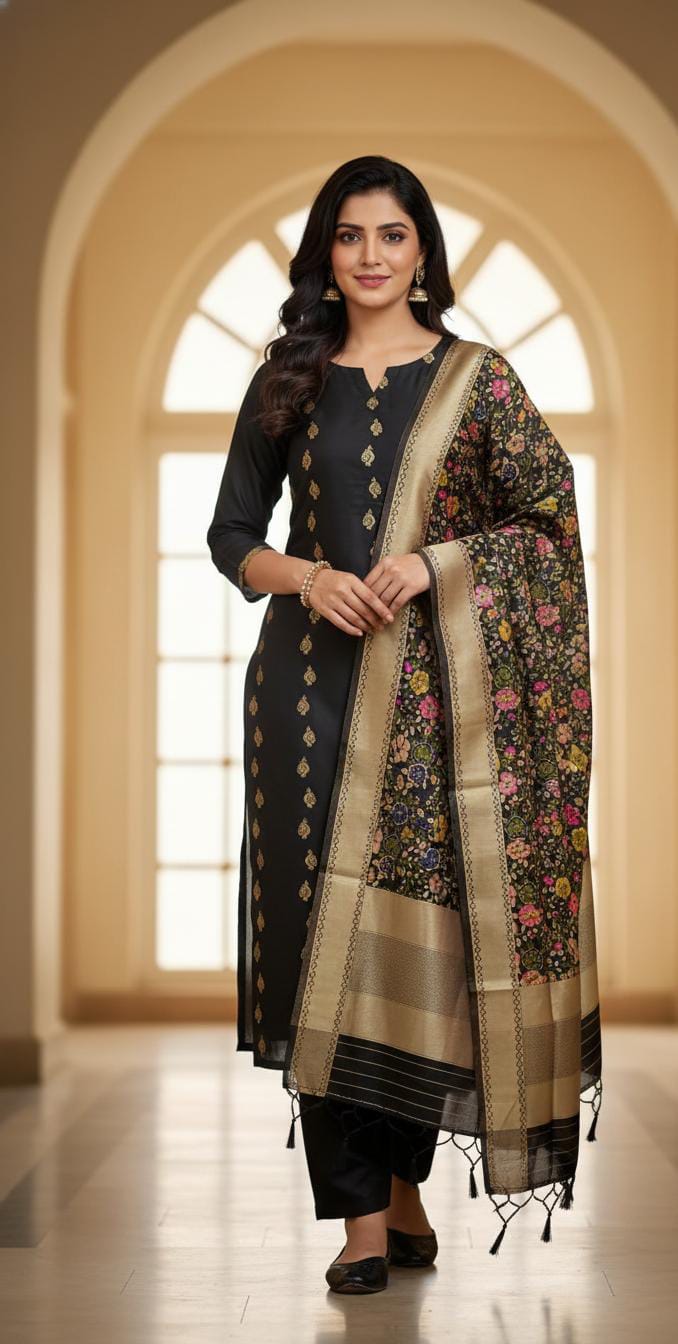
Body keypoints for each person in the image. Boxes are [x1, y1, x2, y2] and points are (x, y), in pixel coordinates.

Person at [206, 155, 603, 1294]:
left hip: (438, 713)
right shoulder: (287, 378)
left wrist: (435, 564)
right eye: (347, 237)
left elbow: (545, 525)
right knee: (318, 952)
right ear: (324, 255)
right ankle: (361, 1225)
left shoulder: (478, 382)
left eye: (391, 236)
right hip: (305, 697)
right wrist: (306, 578)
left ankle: (405, 1196)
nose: (369, 257)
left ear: (423, 250)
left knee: (411, 958)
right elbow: (233, 534)